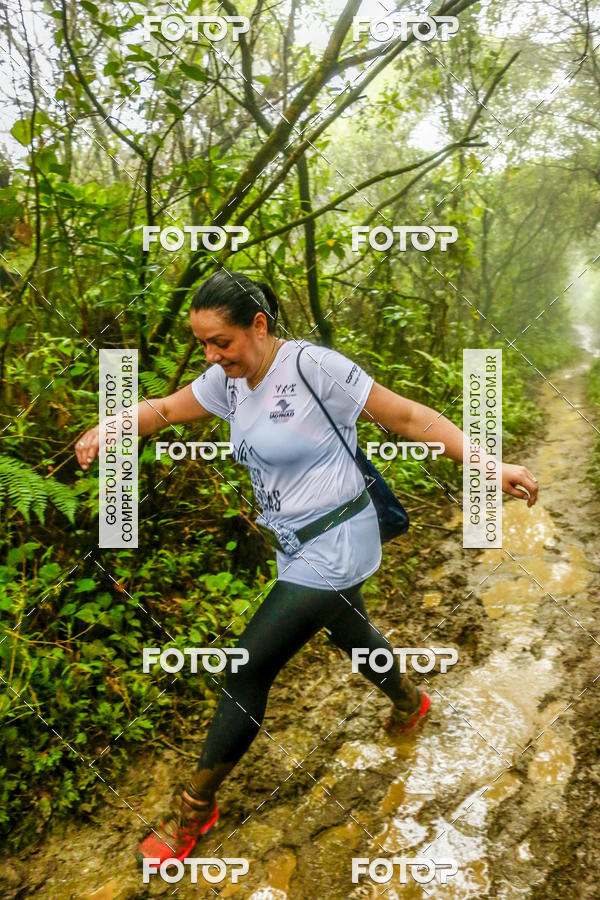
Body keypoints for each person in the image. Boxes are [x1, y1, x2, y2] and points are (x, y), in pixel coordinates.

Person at [75, 270, 538, 865]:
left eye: (222, 342)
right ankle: (409, 701)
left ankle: (195, 807)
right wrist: (111, 427)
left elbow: (407, 418)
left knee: (245, 668)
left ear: (259, 326)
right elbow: (164, 409)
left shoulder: (314, 368)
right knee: (349, 633)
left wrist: (486, 465)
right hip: (293, 544)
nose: (213, 356)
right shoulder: (228, 382)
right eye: (204, 345)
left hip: (339, 540)